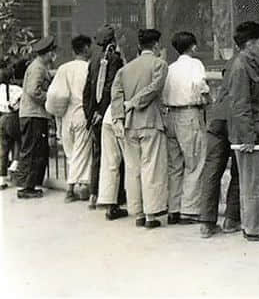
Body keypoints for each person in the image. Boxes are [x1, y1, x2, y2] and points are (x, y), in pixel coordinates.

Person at [199, 49, 259, 239]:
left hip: (218, 117)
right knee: (240, 170)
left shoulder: (233, 61)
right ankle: (231, 218)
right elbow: (257, 97)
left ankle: (206, 223)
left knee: (212, 168)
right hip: (238, 120)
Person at [225, 21, 259, 242]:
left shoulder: (245, 64)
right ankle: (257, 228)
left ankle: (252, 224)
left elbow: (252, 100)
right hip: (249, 134)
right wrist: (248, 136)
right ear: (249, 44)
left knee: (252, 181)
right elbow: (240, 104)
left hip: (251, 131)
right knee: (255, 182)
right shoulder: (241, 67)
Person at [111, 29, 169, 229]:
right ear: (155, 46)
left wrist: (119, 116)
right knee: (151, 168)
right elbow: (154, 89)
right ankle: (151, 215)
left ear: (138, 47)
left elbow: (116, 94)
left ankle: (137, 213)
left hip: (128, 124)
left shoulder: (125, 69)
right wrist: (135, 102)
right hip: (151, 122)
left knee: (133, 169)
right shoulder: (160, 65)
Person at [162, 31, 210, 225]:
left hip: (170, 114)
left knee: (175, 165)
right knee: (195, 162)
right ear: (193, 46)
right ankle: (189, 210)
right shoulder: (195, 64)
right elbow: (200, 84)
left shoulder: (170, 67)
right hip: (189, 114)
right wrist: (207, 97)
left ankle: (173, 208)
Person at [46, 35, 93, 203]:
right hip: (82, 113)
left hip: (66, 115)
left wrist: (56, 112)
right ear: (86, 48)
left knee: (70, 151)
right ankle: (74, 188)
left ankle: (75, 186)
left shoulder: (63, 68)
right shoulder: (89, 68)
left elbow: (55, 93)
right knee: (82, 151)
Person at [83, 25, 124, 210]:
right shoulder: (113, 59)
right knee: (114, 157)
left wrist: (89, 114)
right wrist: (102, 110)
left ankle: (94, 193)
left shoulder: (93, 60)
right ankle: (114, 197)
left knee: (97, 153)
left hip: (94, 114)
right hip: (106, 112)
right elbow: (111, 87)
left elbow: (87, 90)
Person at [16, 36, 56, 199]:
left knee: (35, 149)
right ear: (47, 53)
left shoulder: (39, 66)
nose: (54, 55)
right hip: (33, 114)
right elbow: (34, 91)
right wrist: (50, 96)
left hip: (32, 114)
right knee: (32, 150)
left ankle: (29, 184)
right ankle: (26, 187)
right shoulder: (38, 68)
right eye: (52, 52)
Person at [0, 61, 23, 190]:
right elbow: (22, 98)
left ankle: (1, 180)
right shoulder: (16, 89)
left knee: (3, 149)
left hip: (2, 118)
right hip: (13, 117)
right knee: (19, 140)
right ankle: (15, 163)